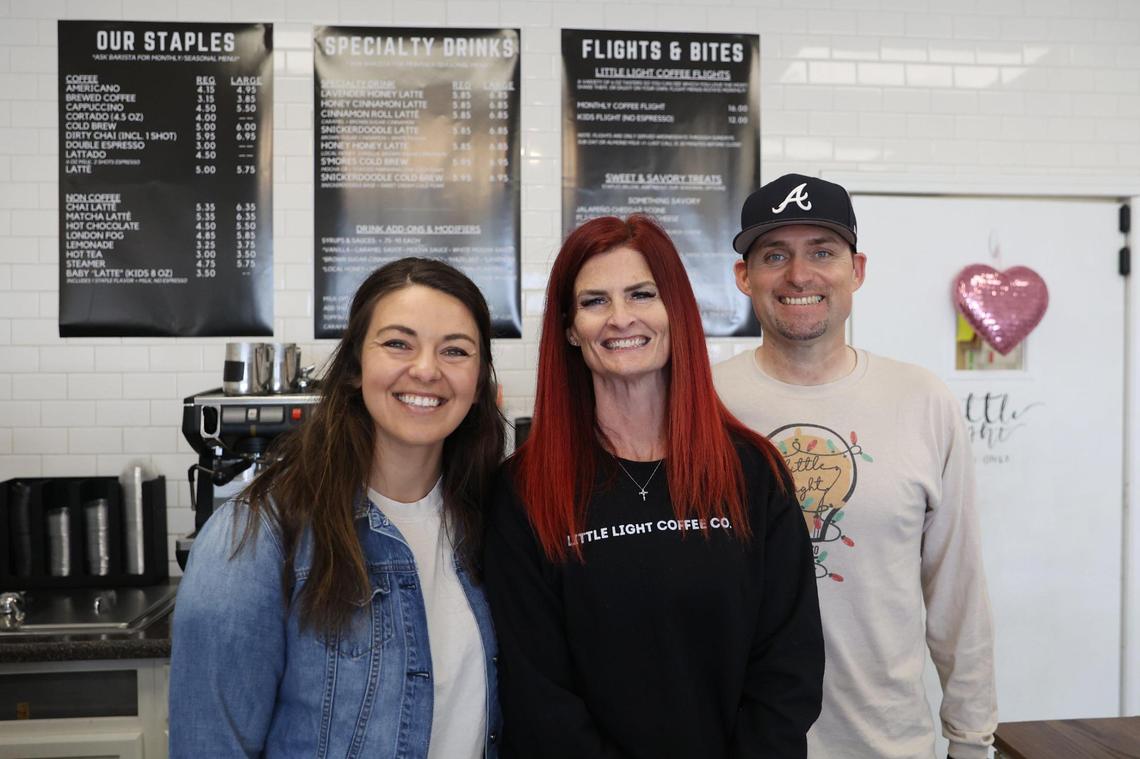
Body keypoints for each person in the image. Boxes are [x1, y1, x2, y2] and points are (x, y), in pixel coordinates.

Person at [483, 214, 824, 759]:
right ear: (570, 328)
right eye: (594, 302)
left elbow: (789, 664)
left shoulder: (752, 472)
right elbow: (536, 692)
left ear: (676, 312)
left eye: (641, 294)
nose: (621, 319)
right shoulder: (525, 490)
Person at [170, 258, 506, 758]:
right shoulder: (254, 538)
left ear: (479, 383)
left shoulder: (491, 522)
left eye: (455, 351)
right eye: (398, 343)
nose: (427, 370)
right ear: (353, 369)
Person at [713, 174, 997, 759]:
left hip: (886, 744)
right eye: (775, 255)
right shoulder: (702, 404)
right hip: (736, 743)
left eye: (822, 252)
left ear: (856, 270)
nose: (799, 275)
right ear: (744, 276)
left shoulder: (921, 400)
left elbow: (956, 588)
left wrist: (972, 740)